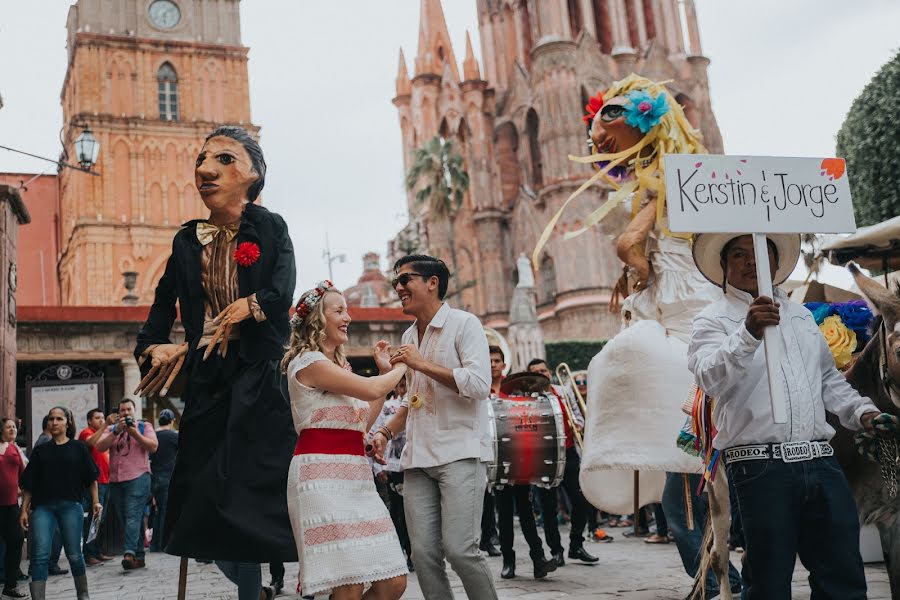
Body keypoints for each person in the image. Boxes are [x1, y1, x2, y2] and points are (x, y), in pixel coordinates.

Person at [134, 126, 297, 600]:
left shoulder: (268, 226)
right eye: (203, 160)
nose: (205, 170)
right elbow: (162, 307)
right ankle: (251, 586)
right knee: (200, 494)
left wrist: (251, 306)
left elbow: (282, 285)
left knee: (250, 493)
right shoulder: (187, 241)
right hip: (208, 378)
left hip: (257, 375)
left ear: (252, 177)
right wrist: (154, 346)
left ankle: (262, 585)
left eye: (224, 160)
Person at [688, 232, 881, 600]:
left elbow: (828, 380)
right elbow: (709, 378)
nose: (751, 262)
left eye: (760, 254)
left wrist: (863, 412)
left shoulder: (802, 317)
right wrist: (748, 333)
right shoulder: (710, 320)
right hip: (759, 466)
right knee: (769, 582)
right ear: (724, 266)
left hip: (821, 461)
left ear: (776, 264)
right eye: (739, 255)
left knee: (844, 574)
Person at [371, 255, 499, 600]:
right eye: (396, 281)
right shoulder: (409, 334)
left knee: (461, 550)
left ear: (432, 283)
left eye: (405, 279)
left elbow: (478, 385)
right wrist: (384, 433)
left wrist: (420, 363)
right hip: (417, 459)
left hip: (460, 453)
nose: (398, 287)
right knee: (423, 556)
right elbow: (413, 401)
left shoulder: (465, 324)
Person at [284, 281, 408, 599]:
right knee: (349, 582)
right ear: (316, 319)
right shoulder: (309, 363)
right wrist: (404, 366)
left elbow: (364, 416)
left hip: (355, 476)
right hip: (321, 476)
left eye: (347, 310)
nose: (347, 317)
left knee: (393, 581)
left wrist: (384, 372)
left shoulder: (341, 366)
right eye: (339, 310)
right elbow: (373, 390)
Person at [490, 348, 558, 580]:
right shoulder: (481, 392)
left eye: (497, 361)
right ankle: (508, 562)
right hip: (497, 461)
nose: (493, 365)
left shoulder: (516, 391)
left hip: (520, 458)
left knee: (526, 511)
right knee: (505, 514)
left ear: (503, 363)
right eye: (489, 361)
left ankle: (538, 559)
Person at [20, 407, 101, 600]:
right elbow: (29, 484)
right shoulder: (40, 451)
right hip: (43, 508)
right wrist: (24, 509)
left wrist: (96, 502)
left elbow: (91, 479)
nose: (54, 422)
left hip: (71, 506)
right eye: (51, 419)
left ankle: (83, 595)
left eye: (59, 419)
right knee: (40, 556)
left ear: (68, 422)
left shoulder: (78, 448)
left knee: (74, 554)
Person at [526, 359, 601, 565]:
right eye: (536, 372)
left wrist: (576, 422)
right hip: (542, 458)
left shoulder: (563, 391)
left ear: (549, 372)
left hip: (568, 453)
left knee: (581, 500)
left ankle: (576, 544)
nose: (542, 374)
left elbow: (578, 414)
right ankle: (556, 551)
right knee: (548, 507)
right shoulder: (527, 398)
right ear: (531, 376)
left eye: (544, 370)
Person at [95, 399, 157, 571]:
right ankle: (139, 556)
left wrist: (134, 432)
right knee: (127, 518)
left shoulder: (145, 426)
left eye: (129, 409)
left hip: (138, 477)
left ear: (134, 411)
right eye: (122, 410)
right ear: (118, 412)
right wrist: (117, 431)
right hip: (116, 480)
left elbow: (153, 447)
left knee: (132, 515)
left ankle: (129, 553)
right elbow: (99, 447)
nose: (125, 412)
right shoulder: (112, 429)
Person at [661, 472, 741, 599]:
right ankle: (726, 578)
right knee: (690, 510)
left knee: (678, 505)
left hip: (685, 454)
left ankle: (710, 580)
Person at [367, 378, 414, 571]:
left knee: (411, 513)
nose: (402, 389)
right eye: (400, 386)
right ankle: (402, 551)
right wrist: (379, 468)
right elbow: (374, 433)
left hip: (411, 465)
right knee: (396, 512)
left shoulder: (413, 402)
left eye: (405, 386)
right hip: (392, 466)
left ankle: (413, 552)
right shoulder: (387, 406)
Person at [78, 408, 113, 566]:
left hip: (105, 481)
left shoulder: (102, 433)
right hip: (94, 483)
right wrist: (106, 424)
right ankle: (89, 554)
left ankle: (97, 552)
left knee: (99, 520)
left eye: (102, 417)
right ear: (89, 421)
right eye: (97, 418)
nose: (101, 420)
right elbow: (91, 443)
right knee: (91, 520)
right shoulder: (86, 432)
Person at [0, 418, 26, 598]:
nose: (12, 429)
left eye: (14, 427)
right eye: (8, 427)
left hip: (10, 506)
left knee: (16, 542)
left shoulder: (14, 448)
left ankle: (10, 586)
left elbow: (24, 475)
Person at [149, 409, 178, 552]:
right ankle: (164, 544)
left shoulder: (152, 435)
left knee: (158, 511)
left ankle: (155, 544)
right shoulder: (174, 436)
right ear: (172, 421)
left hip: (153, 478)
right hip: (168, 478)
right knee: (166, 511)